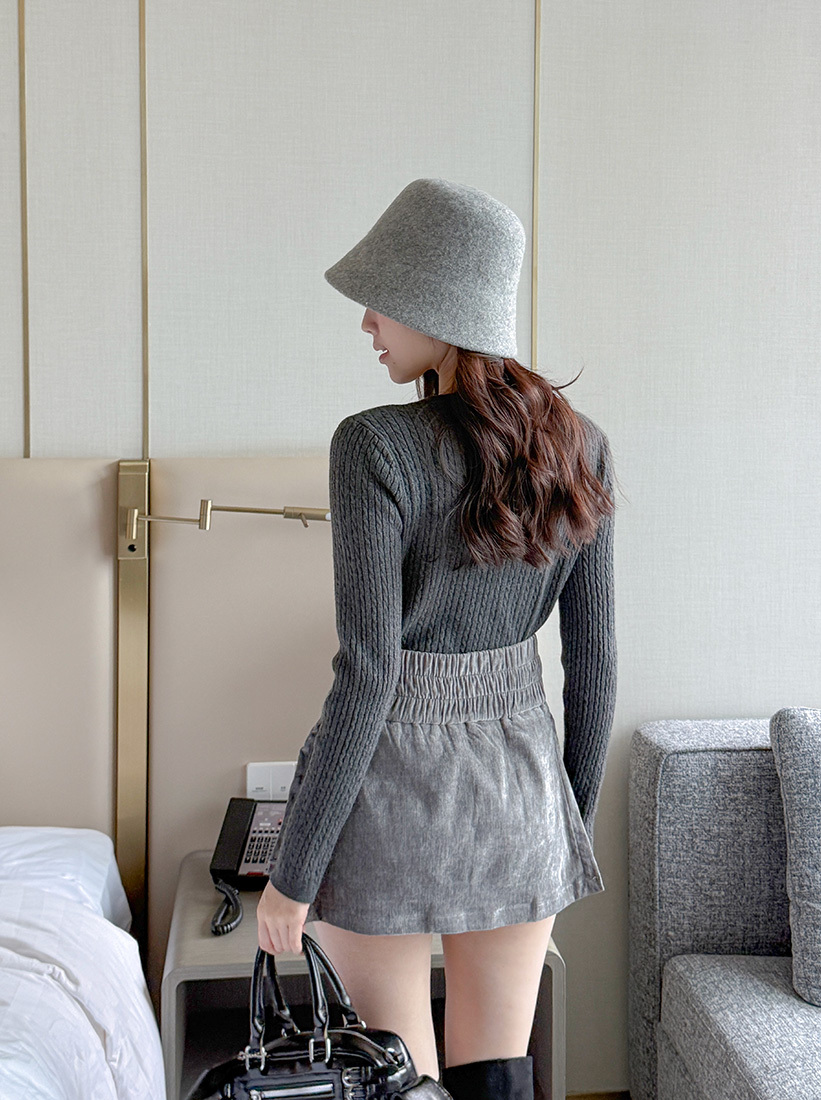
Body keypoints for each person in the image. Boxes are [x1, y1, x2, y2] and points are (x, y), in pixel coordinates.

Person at [256, 178, 616, 1100]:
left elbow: (368, 676)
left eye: (381, 299)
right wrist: (564, 825)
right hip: (521, 796)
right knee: (498, 1074)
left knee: (400, 1078)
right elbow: (594, 672)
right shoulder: (580, 446)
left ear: (437, 306)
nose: (367, 322)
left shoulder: (372, 446)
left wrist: (291, 877)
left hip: (391, 802)